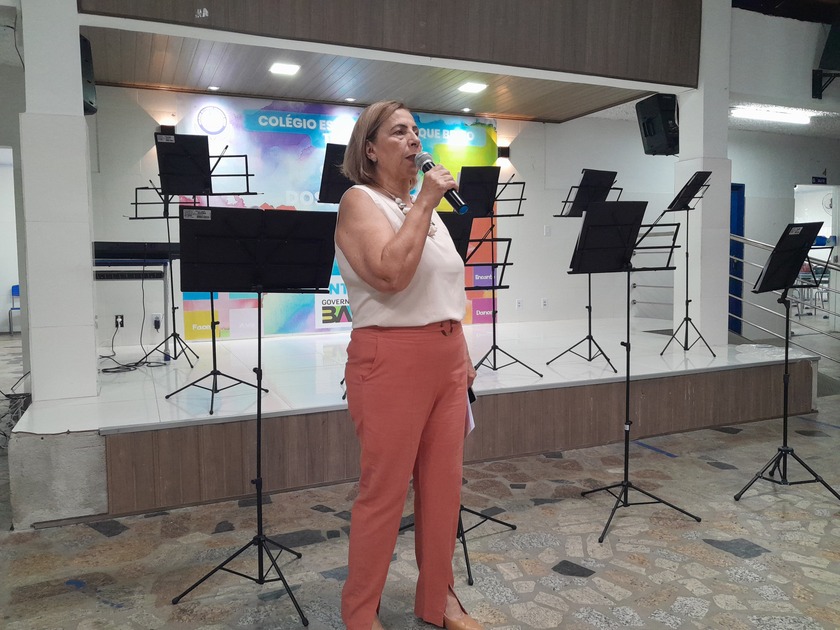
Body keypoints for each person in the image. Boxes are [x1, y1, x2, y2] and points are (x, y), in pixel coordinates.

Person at [334, 100, 482, 630]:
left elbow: (443, 290)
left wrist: (462, 353)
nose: (414, 140)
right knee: (384, 492)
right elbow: (390, 274)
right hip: (391, 359)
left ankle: (438, 601)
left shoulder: (426, 210)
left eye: (416, 131)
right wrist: (425, 201)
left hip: (446, 358)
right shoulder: (360, 201)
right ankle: (360, 613)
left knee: (443, 489)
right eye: (399, 132)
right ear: (371, 149)